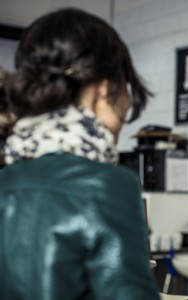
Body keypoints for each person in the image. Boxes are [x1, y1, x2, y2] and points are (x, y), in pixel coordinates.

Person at [0, 8, 160, 300]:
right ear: (103, 88)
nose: (127, 105)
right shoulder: (108, 185)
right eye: (126, 85)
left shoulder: (6, 176)